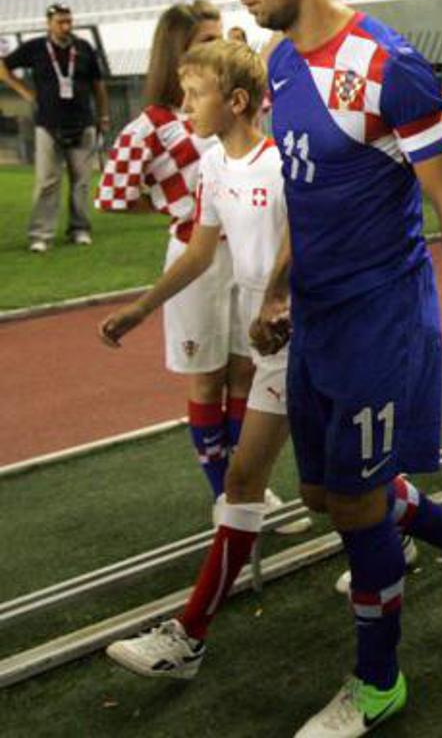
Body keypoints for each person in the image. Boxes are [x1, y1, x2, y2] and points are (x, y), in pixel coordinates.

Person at [225, 0, 442, 734]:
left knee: (358, 508)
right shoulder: (281, 61)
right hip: (316, 317)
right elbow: (307, 191)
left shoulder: (390, 66)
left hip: (379, 319)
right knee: (322, 495)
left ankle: (378, 682)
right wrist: (279, 287)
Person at [102, 39, 311, 680]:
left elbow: (304, 238)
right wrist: (141, 309)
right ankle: (189, 636)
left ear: (237, 101)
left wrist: (275, 298)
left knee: (331, 489)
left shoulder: (282, 164)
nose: (186, 105)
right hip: (267, 337)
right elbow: (199, 252)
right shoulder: (214, 163)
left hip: (303, 331)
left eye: (196, 95)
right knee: (275, 487)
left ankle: (441, 534)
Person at [98, 5, 239, 498]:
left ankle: (247, 483)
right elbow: (113, 196)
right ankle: (227, 494)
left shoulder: (232, 105)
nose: (218, 47)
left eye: (219, 37)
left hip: (247, 253)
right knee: (208, 380)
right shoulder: (150, 126)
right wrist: (175, 206)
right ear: (176, 53)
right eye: (206, 40)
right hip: (194, 262)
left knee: (247, 373)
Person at [1, 4, 108, 252]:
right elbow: (3, 68)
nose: (66, 26)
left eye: (69, 21)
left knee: (81, 182)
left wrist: (103, 116)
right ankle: (40, 235)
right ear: (48, 23)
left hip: (83, 123)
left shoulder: (84, 48)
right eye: (60, 22)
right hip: (48, 125)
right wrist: (25, 92)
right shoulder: (36, 47)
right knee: (47, 181)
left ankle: (80, 229)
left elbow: (98, 84)